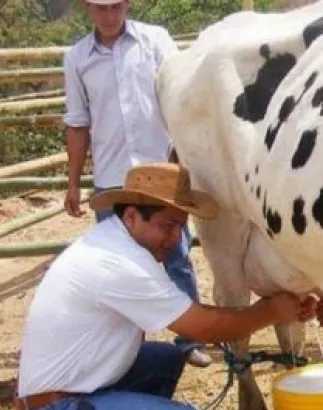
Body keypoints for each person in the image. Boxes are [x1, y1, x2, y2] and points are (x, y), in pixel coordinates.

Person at [15, 163, 316, 410]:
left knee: (165, 359)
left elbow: (188, 315)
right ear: (131, 216)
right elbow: (201, 326)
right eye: (167, 226)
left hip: (70, 391)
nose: (175, 238)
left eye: (180, 227)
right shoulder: (117, 263)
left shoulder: (115, 243)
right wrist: (271, 310)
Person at [62, 0, 212, 367]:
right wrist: (73, 182)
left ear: (126, 5)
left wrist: (185, 161)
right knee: (116, 265)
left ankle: (189, 338)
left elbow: (181, 100)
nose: (109, 15)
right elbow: (78, 123)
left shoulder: (155, 41)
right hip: (112, 178)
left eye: (115, 7)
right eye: (101, 8)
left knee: (175, 253)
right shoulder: (77, 58)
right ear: (87, 9)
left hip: (161, 170)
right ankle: (127, 349)